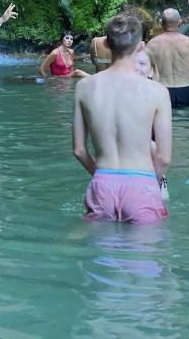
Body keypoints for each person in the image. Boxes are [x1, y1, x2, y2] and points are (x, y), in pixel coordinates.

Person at [72, 15, 172, 224]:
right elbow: (163, 157)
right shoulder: (157, 91)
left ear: (106, 43)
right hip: (142, 183)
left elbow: (79, 150)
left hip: (103, 181)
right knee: (142, 253)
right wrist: (147, 185)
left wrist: (101, 176)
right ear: (140, 46)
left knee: (103, 253)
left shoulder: (84, 87)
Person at [145, 8, 189, 108]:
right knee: (187, 123)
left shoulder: (152, 44)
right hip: (185, 91)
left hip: (161, 91)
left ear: (161, 22)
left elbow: (145, 74)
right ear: (179, 22)